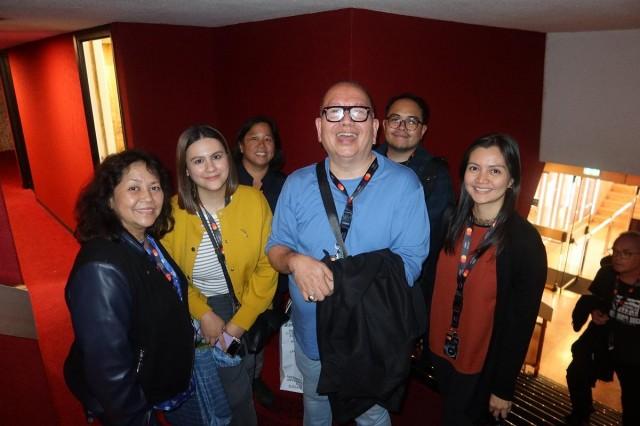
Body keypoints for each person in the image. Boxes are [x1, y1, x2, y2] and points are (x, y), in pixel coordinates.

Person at [267, 81, 429, 425]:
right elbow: (275, 247)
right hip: (311, 333)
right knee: (315, 404)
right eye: (334, 112)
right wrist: (294, 261)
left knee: (371, 414)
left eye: (358, 112)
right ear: (319, 128)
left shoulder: (405, 185)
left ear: (374, 128)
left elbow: (410, 265)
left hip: (369, 337)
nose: (346, 122)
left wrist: (341, 281)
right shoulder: (296, 184)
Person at [63, 150, 194, 426]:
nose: (148, 197)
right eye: (134, 188)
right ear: (109, 198)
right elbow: (108, 370)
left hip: (155, 373)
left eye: (155, 187)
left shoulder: (145, 240)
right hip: (131, 397)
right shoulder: (101, 268)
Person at [162, 124, 277, 426]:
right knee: (201, 392)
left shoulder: (254, 200)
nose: (210, 167)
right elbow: (169, 276)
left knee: (238, 393)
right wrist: (203, 314)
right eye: (198, 161)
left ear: (229, 158)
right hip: (191, 308)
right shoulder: (171, 213)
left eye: (217, 156)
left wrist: (237, 326)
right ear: (185, 169)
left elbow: (267, 268)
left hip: (242, 304)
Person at [429, 133, 547, 425]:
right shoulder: (450, 220)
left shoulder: (524, 242)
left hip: (480, 365)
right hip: (441, 350)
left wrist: (504, 386)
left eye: (495, 170)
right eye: (474, 168)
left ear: (511, 180)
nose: (481, 179)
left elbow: (521, 322)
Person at [376, 93, 454, 368]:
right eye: (396, 119)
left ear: (423, 130)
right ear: (384, 125)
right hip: (357, 275)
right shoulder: (363, 160)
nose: (402, 127)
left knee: (387, 360)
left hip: (404, 282)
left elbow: (424, 236)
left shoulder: (435, 174)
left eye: (412, 121)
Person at [233, 115, 287, 407]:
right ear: (241, 145)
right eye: (254, 137)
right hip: (230, 272)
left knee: (258, 330)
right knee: (231, 331)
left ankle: (253, 379)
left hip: (269, 272)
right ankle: (232, 378)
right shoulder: (224, 179)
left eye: (268, 138)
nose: (261, 144)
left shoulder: (284, 183)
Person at [566, 231, 640, 426]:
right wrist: (593, 311)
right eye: (615, 251)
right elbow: (590, 299)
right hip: (604, 341)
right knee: (576, 372)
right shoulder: (607, 274)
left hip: (634, 353)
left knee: (633, 401)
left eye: (626, 253)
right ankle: (581, 413)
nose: (618, 257)